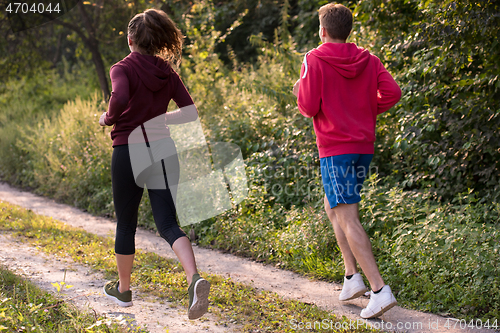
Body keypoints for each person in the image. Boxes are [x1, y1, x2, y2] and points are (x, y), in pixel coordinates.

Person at [98, 8, 210, 320]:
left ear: (130, 39)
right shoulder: (167, 72)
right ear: (156, 40)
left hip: (128, 150)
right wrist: (159, 118)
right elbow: (190, 113)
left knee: (126, 222)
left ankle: (123, 290)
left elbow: (118, 99)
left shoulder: (122, 68)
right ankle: (194, 278)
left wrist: (108, 118)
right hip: (162, 148)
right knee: (167, 222)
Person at [292, 3, 401, 319]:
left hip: (335, 148)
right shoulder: (369, 59)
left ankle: (379, 290)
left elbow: (309, 106)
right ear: (347, 30)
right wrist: (364, 112)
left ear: (323, 31)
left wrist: (301, 88)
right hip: (361, 147)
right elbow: (392, 92)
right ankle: (352, 277)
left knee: (347, 215)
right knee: (333, 204)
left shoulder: (314, 58)